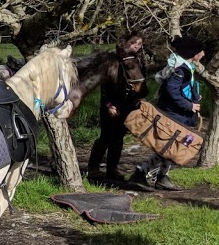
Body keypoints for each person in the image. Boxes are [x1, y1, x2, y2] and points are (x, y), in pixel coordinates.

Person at [130, 35, 206, 191]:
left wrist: (194, 97)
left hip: (179, 115)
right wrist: (189, 105)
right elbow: (171, 90)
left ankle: (162, 177)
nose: (203, 54)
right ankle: (141, 173)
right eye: (200, 51)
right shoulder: (181, 69)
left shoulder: (186, 68)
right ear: (193, 53)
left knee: (171, 148)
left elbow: (180, 89)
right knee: (167, 148)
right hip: (174, 115)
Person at [87, 32, 147, 183]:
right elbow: (104, 86)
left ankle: (112, 168)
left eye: (139, 44)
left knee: (119, 138)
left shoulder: (139, 60)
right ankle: (93, 169)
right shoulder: (113, 60)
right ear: (126, 42)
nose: (136, 46)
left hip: (128, 104)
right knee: (106, 137)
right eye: (134, 43)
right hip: (111, 104)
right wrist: (108, 104)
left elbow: (141, 83)